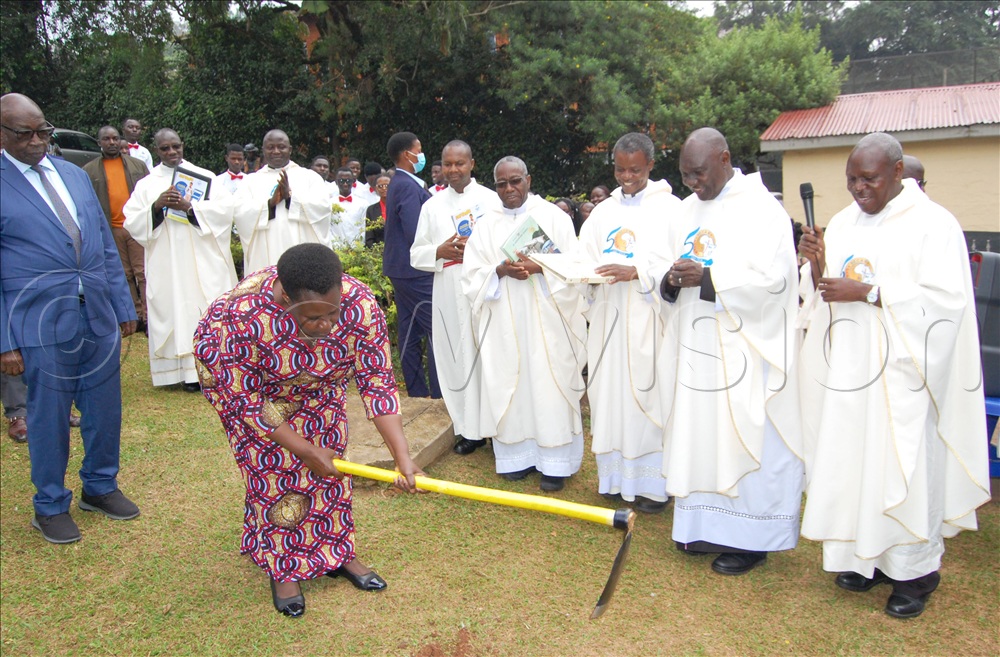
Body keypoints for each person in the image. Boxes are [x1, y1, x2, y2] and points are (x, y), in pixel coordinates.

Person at [797, 132, 989, 619]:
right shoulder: (842, 220)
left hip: (904, 374)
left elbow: (946, 304)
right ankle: (867, 559)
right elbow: (824, 292)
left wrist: (872, 293)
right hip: (851, 369)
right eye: (851, 180)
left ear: (898, 172)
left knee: (903, 469)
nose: (859, 189)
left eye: (869, 179)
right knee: (855, 464)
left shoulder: (934, 224)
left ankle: (916, 573)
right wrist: (816, 262)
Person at [193, 243, 422, 617]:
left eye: (332, 313)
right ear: (285, 297)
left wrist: (402, 457)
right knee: (272, 469)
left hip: (320, 384)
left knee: (332, 466)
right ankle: (283, 567)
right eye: (314, 318)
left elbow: (377, 383)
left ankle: (336, 554)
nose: (327, 325)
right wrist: (300, 448)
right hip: (251, 389)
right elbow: (244, 398)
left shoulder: (360, 306)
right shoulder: (240, 315)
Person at [658, 127, 803, 574]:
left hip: (744, 346)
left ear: (724, 159)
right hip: (694, 343)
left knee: (744, 434)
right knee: (700, 433)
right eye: (685, 176)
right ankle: (702, 526)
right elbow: (658, 268)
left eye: (699, 173)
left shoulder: (762, 210)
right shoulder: (683, 211)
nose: (693, 184)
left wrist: (707, 279)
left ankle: (751, 537)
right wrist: (668, 279)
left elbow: (776, 280)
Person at [1, 93, 139, 544]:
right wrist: (4, 340)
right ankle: (50, 504)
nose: (39, 141)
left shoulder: (71, 174)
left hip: (95, 312)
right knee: (50, 415)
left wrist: (122, 305)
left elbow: (99, 240)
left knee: (104, 408)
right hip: (38, 321)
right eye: (26, 134)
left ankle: (99, 486)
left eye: (44, 131)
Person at [462, 156, 587, 491]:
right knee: (510, 384)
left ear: (528, 180)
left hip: (549, 318)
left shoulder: (554, 217)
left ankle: (556, 464)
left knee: (549, 385)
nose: (509, 189)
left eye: (515, 181)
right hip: (504, 318)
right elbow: (471, 274)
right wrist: (498, 270)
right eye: (501, 183)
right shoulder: (486, 224)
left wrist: (540, 266)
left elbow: (575, 265)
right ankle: (517, 457)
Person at [578, 132, 680, 513]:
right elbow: (584, 254)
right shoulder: (604, 212)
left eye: (635, 170)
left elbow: (678, 265)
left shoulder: (671, 209)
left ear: (651, 166)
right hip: (607, 318)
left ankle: (653, 486)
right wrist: (584, 274)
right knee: (608, 397)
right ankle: (614, 478)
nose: (626, 177)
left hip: (648, 320)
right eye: (620, 169)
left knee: (648, 397)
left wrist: (637, 271)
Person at [123, 128, 237, 391]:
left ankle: (210, 370)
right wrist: (156, 206)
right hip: (168, 260)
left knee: (206, 307)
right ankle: (180, 373)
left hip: (202, 256)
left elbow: (225, 211)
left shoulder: (205, 177)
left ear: (182, 145)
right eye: (165, 148)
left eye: (176, 146)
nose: (171, 152)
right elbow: (132, 220)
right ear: (157, 150)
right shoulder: (147, 184)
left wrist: (189, 208)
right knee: (175, 308)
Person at [411, 140, 501, 456]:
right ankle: (468, 428)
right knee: (456, 356)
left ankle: (496, 426)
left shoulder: (492, 201)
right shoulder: (431, 206)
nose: (453, 170)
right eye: (448, 164)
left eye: (459, 163)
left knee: (488, 352)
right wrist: (439, 250)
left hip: (485, 286)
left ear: (472, 164)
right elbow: (415, 253)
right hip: (448, 285)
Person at [383, 131, 440, 399]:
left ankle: (418, 392)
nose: (422, 154)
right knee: (436, 330)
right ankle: (441, 393)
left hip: (401, 269)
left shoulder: (402, 182)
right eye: (420, 149)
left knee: (410, 330)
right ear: (408, 155)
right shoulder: (406, 185)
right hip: (415, 270)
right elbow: (416, 231)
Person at [233, 129, 331, 274]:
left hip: (300, 248)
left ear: (290, 149)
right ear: (263, 150)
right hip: (264, 253)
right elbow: (239, 212)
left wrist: (291, 198)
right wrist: (269, 204)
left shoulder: (310, 177)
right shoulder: (250, 181)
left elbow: (323, 209)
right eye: (270, 147)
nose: (276, 151)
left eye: (281, 147)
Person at [83, 125, 150, 331]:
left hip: (135, 227)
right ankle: (134, 314)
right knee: (124, 274)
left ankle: (149, 316)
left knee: (143, 272)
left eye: (114, 138)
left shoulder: (137, 165)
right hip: (111, 229)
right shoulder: (89, 170)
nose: (111, 142)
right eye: (106, 139)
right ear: (99, 143)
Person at [329, 166, 367, 248]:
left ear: (353, 181)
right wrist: (336, 246)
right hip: (335, 248)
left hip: (357, 250)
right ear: (336, 182)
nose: (345, 184)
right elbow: (328, 228)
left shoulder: (363, 204)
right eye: (342, 181)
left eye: (348, 181)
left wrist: (356, 246)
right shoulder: (329, 204)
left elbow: (363, 228)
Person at [365, 174, 390, 247]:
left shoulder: (399, 207)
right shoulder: (371, 210)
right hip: (377, 253)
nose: (384, 188)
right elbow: (369, 237)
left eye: (387, 186)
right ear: (376, 188)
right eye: (380, 186)